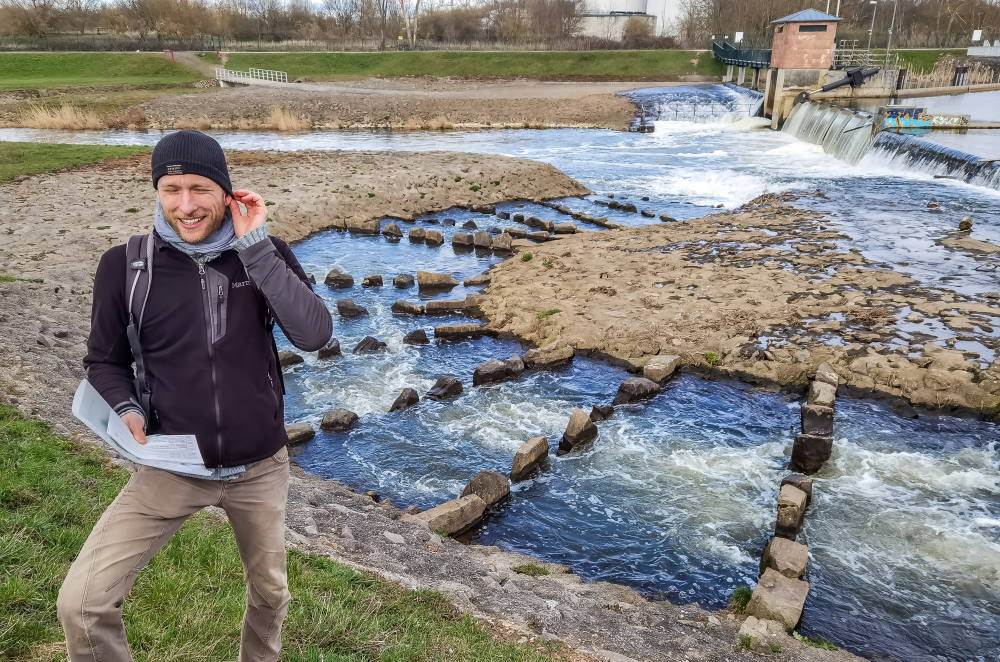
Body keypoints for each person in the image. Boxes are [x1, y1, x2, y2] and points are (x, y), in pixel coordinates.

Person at [57, 130, 333, 662]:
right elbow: (103, 361)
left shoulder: (266, 254)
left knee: (271, 594)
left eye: (201, 188)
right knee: (82, 604)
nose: (186, 205)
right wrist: (127, 407)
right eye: (171, 188)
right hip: (169, 467)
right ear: (157, 192)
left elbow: (315, 335)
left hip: (259, 467)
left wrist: (256, 248)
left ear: (227, 193)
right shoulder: (125, 265)